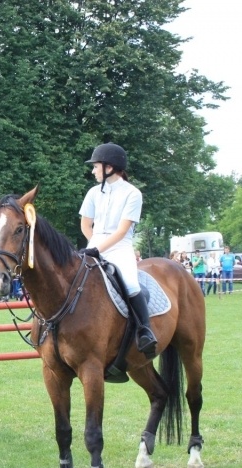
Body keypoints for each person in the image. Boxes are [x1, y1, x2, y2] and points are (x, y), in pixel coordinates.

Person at [78, 142, 157, 360]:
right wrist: (93, 244)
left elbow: (122, 231)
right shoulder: (93, 193)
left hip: (120, 247)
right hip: (95, 244)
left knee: (131, 284)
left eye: (96, 166)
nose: (93, 170)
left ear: (110, 167)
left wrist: (97, 248)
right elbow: (86, 224)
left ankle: (145, 331)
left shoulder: (133, 194)